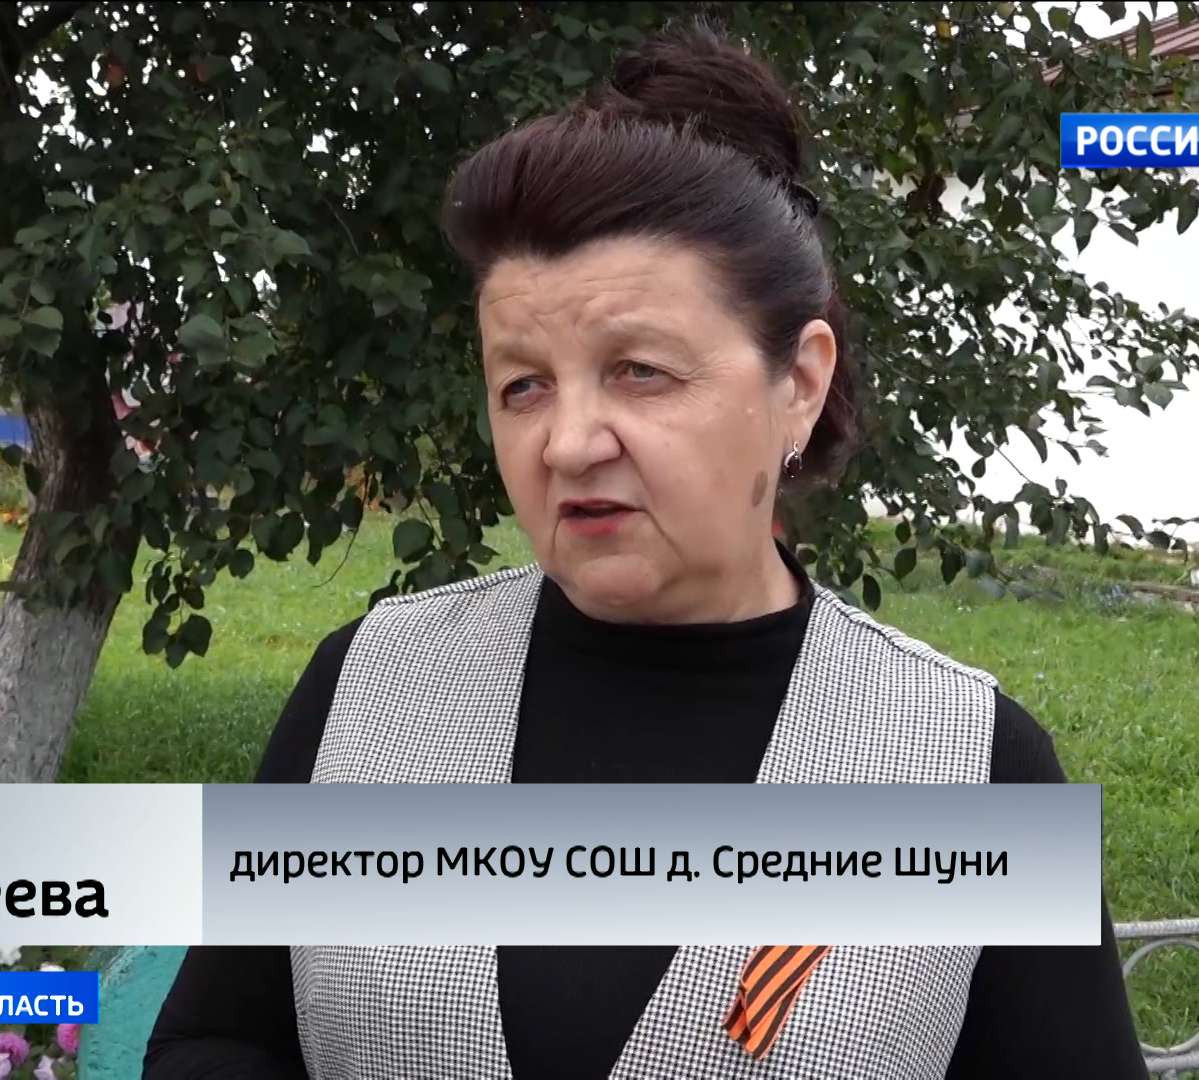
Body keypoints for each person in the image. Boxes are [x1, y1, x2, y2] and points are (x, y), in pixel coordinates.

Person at [146, 20, 1148, 1080]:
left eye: (640, 371)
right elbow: (218, 1035)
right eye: (524, 385)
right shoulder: (370, 689)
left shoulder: (970, 767)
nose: (569, 443)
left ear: (800, 382)